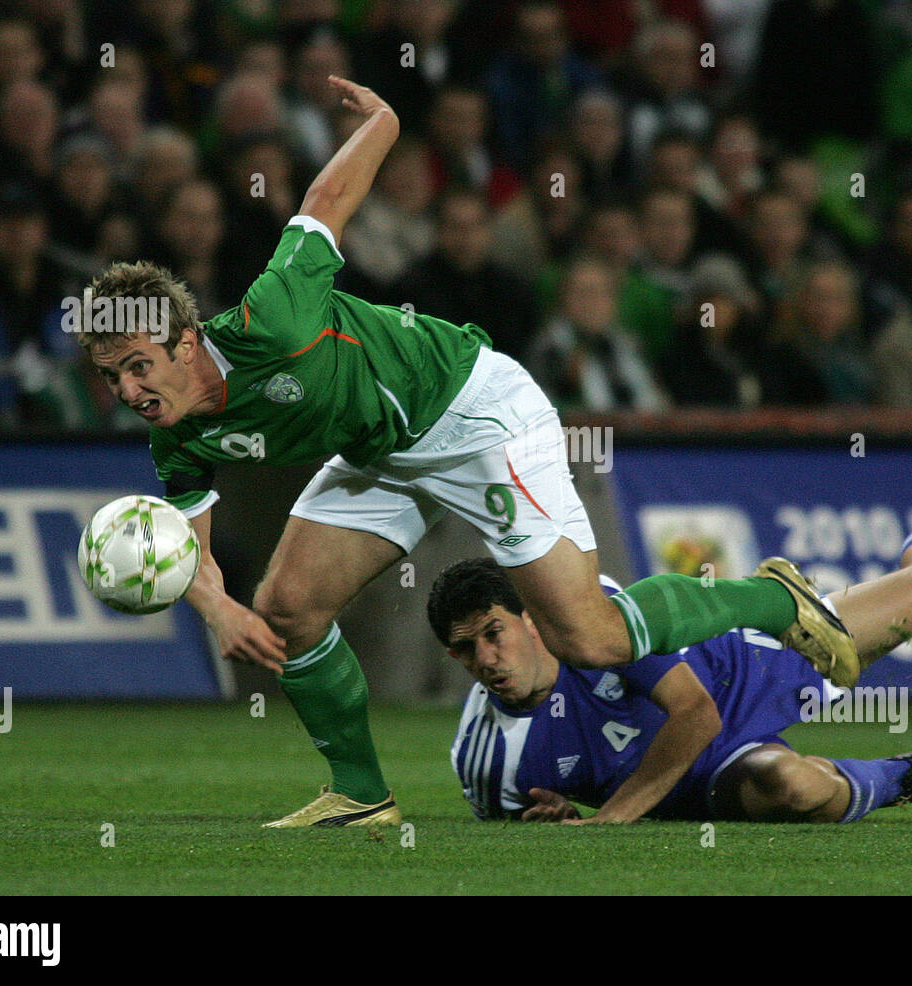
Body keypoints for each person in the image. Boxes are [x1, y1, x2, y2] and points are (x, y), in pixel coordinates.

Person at [78, 78, 858, 828]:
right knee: (288, 607)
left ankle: (775, 600)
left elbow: (324, 205)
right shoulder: (173, 428)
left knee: (589, 638)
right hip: (381, 451)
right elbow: (191, 547)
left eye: (139, 365)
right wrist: (217, 609)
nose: (129, 389)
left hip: (473, 412)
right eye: (110, 376)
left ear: (184, 342)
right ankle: (360, 794)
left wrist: (381, 122)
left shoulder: (273, 319)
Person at [434, 454, 912, 823]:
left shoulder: (589, 620)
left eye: (493, 633)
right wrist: (563, 817)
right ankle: (902, 780)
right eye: (465, 649)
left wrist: (606, 822)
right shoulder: (487, 761)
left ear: (532, 618)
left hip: (753, 663)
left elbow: (694, 712)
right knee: (797, 790)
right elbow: (529, 822)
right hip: (703, 775)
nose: (486, 660)